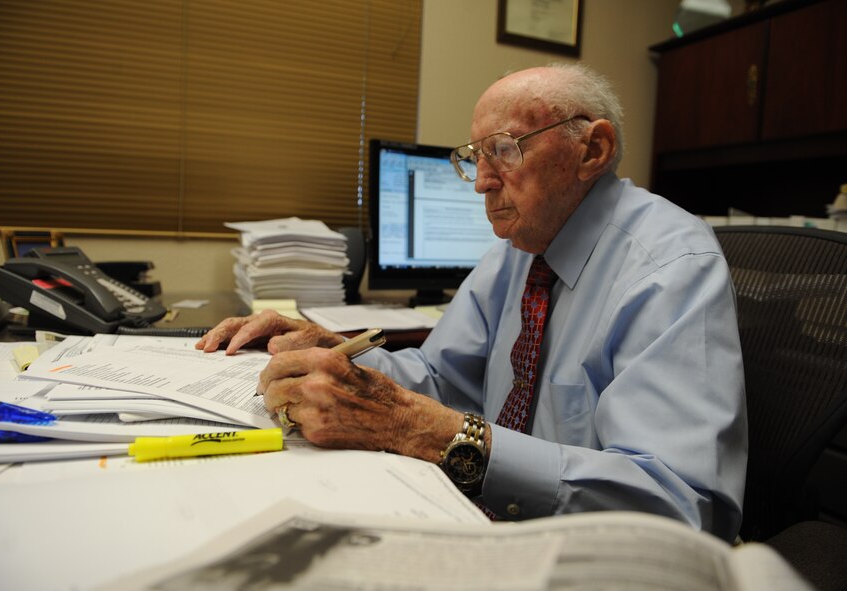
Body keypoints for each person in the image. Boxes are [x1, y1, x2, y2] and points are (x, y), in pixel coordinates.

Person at [197, 63, 748, 541]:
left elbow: (682, 509)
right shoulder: (521, 250)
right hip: (480, 518)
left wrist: (425, 430)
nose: (481, 182)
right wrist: (334, 354)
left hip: (587, 552)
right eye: (475, 157)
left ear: (592, 150)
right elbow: (440, 376)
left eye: (504, 151)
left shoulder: (670, 269)